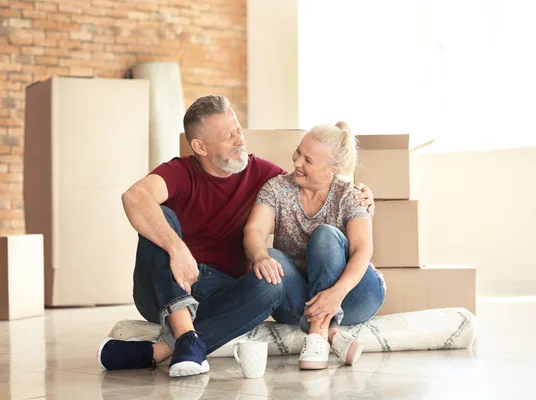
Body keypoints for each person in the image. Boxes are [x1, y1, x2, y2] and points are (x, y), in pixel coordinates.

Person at [96, 95, 375, 378]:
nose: (240, 141)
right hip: (165, 286)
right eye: (229, 136)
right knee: (159, 217)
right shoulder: (179, 172)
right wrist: (177, 249)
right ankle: (183, 334)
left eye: (238, 130)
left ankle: (167, 348)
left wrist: (361, 195)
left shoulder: (265, 176)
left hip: (222, 293)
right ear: (200, 146)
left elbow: (312, 185)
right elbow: (134, 197)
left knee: (272, 282)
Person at [243, 121, 386, 370]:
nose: (297, 162)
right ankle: (329, 334)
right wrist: (259, 257)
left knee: (325, 235)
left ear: (331, 170)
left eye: (308, 160)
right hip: (299, 300)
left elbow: (362, 250)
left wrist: (335, 294)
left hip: (354, 296)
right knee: (271, 255)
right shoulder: (276, 188)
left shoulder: (350, 196)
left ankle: (318, 333)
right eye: (298, 152)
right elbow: (254, 230)